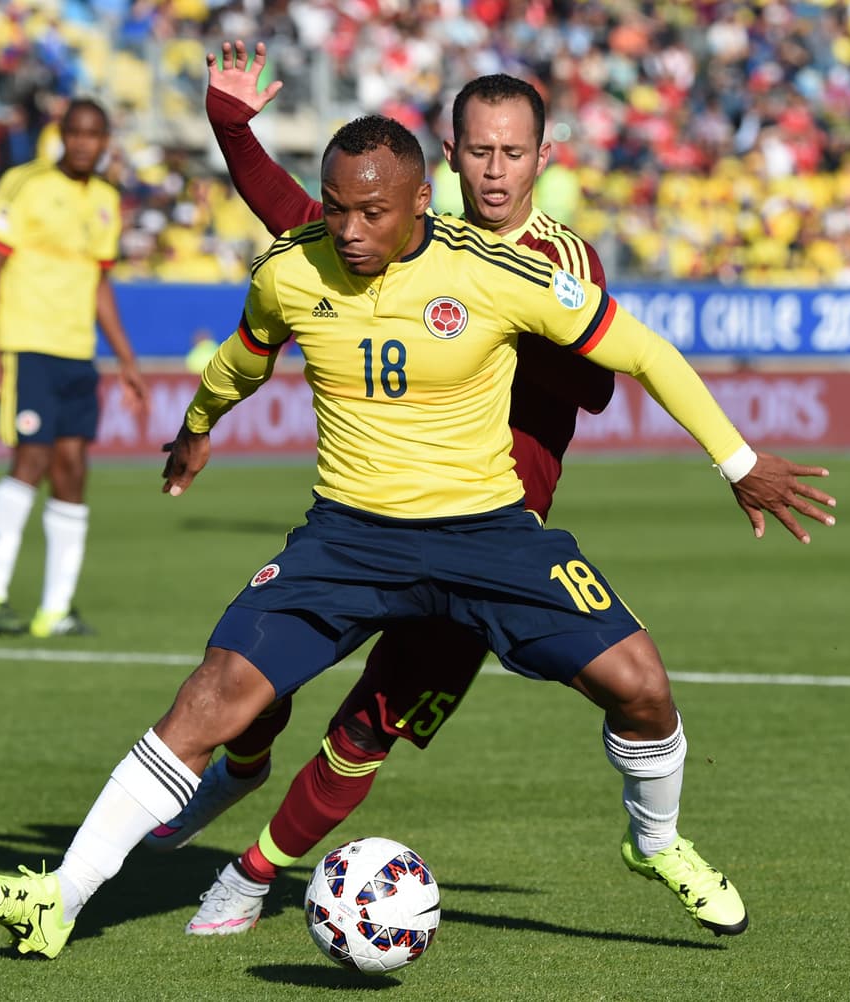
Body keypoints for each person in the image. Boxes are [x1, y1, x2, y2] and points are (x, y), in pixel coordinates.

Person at [0, 114, 836, 960]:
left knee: (642, 688)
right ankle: (59, 898)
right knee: (209, 699)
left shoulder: (497, 271)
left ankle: (654, 841)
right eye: (335, 206)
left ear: (422, 200)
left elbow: (641, 351)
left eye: (371, 211)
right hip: (346, 540)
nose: (348, 229)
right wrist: (197, 424)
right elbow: (243, 355)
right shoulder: (291, 270)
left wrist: (738, 461)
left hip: (486, 535)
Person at [151, 44, 624, 939]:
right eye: (478, 150)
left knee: (372, 726)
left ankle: (250, 878)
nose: (494, 168)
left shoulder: (563, 261)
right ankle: (240, 768)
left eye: (511, 152)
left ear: (540, 159)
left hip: (491, 540)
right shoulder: (406, 246)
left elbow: (598, 384)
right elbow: (299, 219)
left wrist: (504, 327)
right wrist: (233, 131)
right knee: (261, 670)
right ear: (449, 159)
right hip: (371, 524)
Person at [0, 98, 147, 639]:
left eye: (96, 134)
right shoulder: (25, 183)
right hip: (26, 343)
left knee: (73, 467)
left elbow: (100, 285)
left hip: (76, 351)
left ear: (106, 140)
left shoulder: (108, 200)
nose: (86, 143)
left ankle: (55, 609)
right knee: (32, 458)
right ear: (62, 136)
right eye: (77, 133)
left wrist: (126, 359)